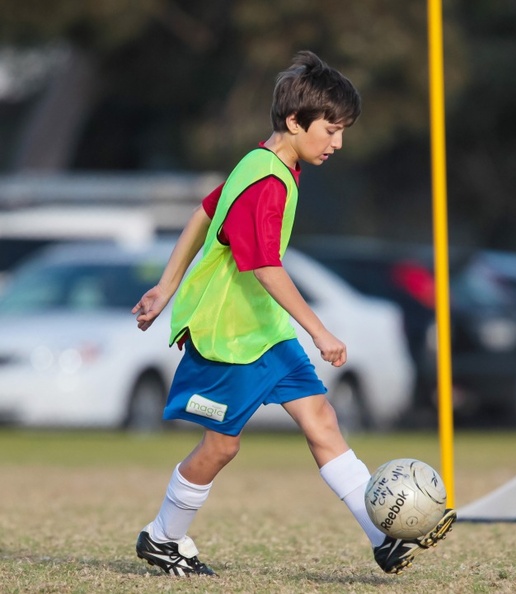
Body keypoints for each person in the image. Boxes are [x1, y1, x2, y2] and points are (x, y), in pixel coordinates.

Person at [132, 50, 456, 578]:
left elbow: (203, 211)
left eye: (343, 131)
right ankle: (163, 537)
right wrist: (321, 330)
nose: (338, 143)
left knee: (321, 419)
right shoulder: (266, 181)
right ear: (294, 121)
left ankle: (384, 538)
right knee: (221, 447)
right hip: (227, 334)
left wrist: (166, 285)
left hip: (263, 330)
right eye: (331, 130)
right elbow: (264, 267)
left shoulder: (267, 163)